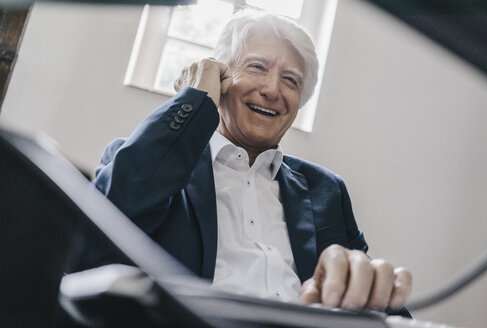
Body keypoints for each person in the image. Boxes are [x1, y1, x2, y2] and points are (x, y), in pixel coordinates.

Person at [81, 10, 412, 313]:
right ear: (222, 79)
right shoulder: (152, 159)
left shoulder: (327, 189)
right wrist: (193, 102)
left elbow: (371, 297)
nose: (272, 89)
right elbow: (89, 251)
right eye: (257, 67)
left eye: (291, 80)